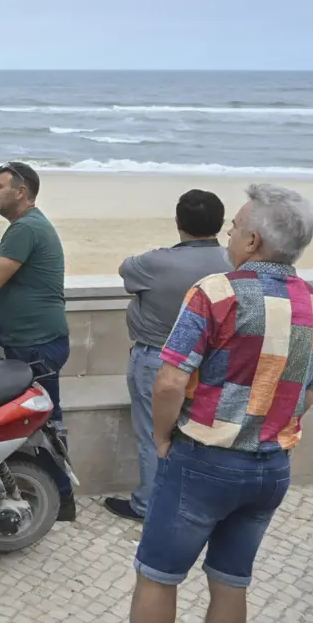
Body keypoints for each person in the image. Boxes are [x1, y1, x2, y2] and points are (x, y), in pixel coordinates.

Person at [130, 183, 313, 623]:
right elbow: (310, 393)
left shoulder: (216, 293)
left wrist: (162, 438)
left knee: (158, 577)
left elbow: (170, 382)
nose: (230, 237)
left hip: (206, 460)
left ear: (253, 241)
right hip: (271, 468)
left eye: (235, 228)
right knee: (231, 582)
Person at [103, 189, 231, 522]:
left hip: (158, 360)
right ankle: (194, 501)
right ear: (219, 223)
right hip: (212, 361)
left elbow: (124, 270)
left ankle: (147, 504)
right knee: (201, 432)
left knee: (152, 432)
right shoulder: (232, 262)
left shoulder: (156, 261)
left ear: (178, 222)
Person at [0, 161, 75, 521]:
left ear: (21, 192)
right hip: (28, 341)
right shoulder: (26, 226)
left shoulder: (25, 228)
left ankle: (60, 500)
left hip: (37, 346)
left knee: (45, 425)